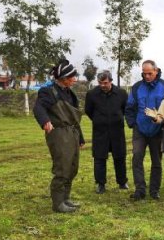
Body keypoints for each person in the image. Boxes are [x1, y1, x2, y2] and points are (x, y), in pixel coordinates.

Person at [33, 59, 84, 213]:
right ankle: (57, 203)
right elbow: (38, 108)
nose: (75, 80)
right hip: (59, 134)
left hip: (72, 133)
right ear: (63, 78)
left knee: (72, 167)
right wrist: (45, 122)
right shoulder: (48, 92)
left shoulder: (71, 93)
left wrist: (80, 137)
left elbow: (74, 119)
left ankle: (66, 199)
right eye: (72, 77)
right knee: (62, 167)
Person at [125, 60, 164, 200]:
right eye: (144, 74)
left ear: (156, 71)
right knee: (137, 158)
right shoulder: (137, 87)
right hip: (140, 129)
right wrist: (133, 123)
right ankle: (140, 190)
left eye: (150, 73)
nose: (147, 76)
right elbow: (129, 107)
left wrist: (163, 124)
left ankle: (154, 190)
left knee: (156, 161)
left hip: (157, 130)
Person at [85, 70, 128, 194]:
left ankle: (122, 182)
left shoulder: (121, 93)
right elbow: (88, 111)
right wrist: (99, 120)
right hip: (100, 131)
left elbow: (125, 109)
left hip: (117, 131)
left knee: (120, 157)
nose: (102, 85)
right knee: (99, 158)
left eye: (105, 83)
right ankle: (100, 184)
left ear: (111, 81)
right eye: (100, 83)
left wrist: (117, 118)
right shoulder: (92, 94)